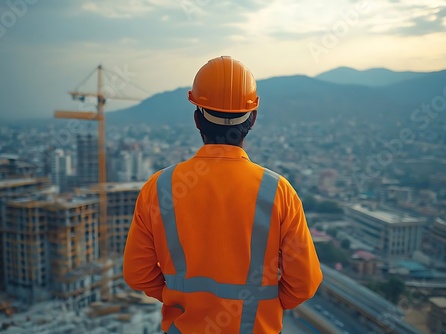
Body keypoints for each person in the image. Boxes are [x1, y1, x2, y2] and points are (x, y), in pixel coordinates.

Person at [124, 56, 323, 334]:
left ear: (197, 119)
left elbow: (138, 274)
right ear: (252, 119)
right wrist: (267, 305)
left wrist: (179, 297)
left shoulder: (159, 188)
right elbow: (304, 284)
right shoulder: (278, 192)